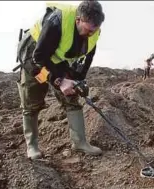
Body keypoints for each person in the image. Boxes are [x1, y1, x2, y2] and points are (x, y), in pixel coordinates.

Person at [16, 1, 105, 160]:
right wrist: (59, 81)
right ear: (78, 20)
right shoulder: (56, 21)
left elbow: (84, 64)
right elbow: (39, 58)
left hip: (57, 59)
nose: (90, 34)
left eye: (94, 30)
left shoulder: (93, 32)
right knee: (32, 100)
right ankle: (32, 147)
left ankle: (80, 143)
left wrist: (76, 82)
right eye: (87, 30)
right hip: (35, 55)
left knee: (71, 96)